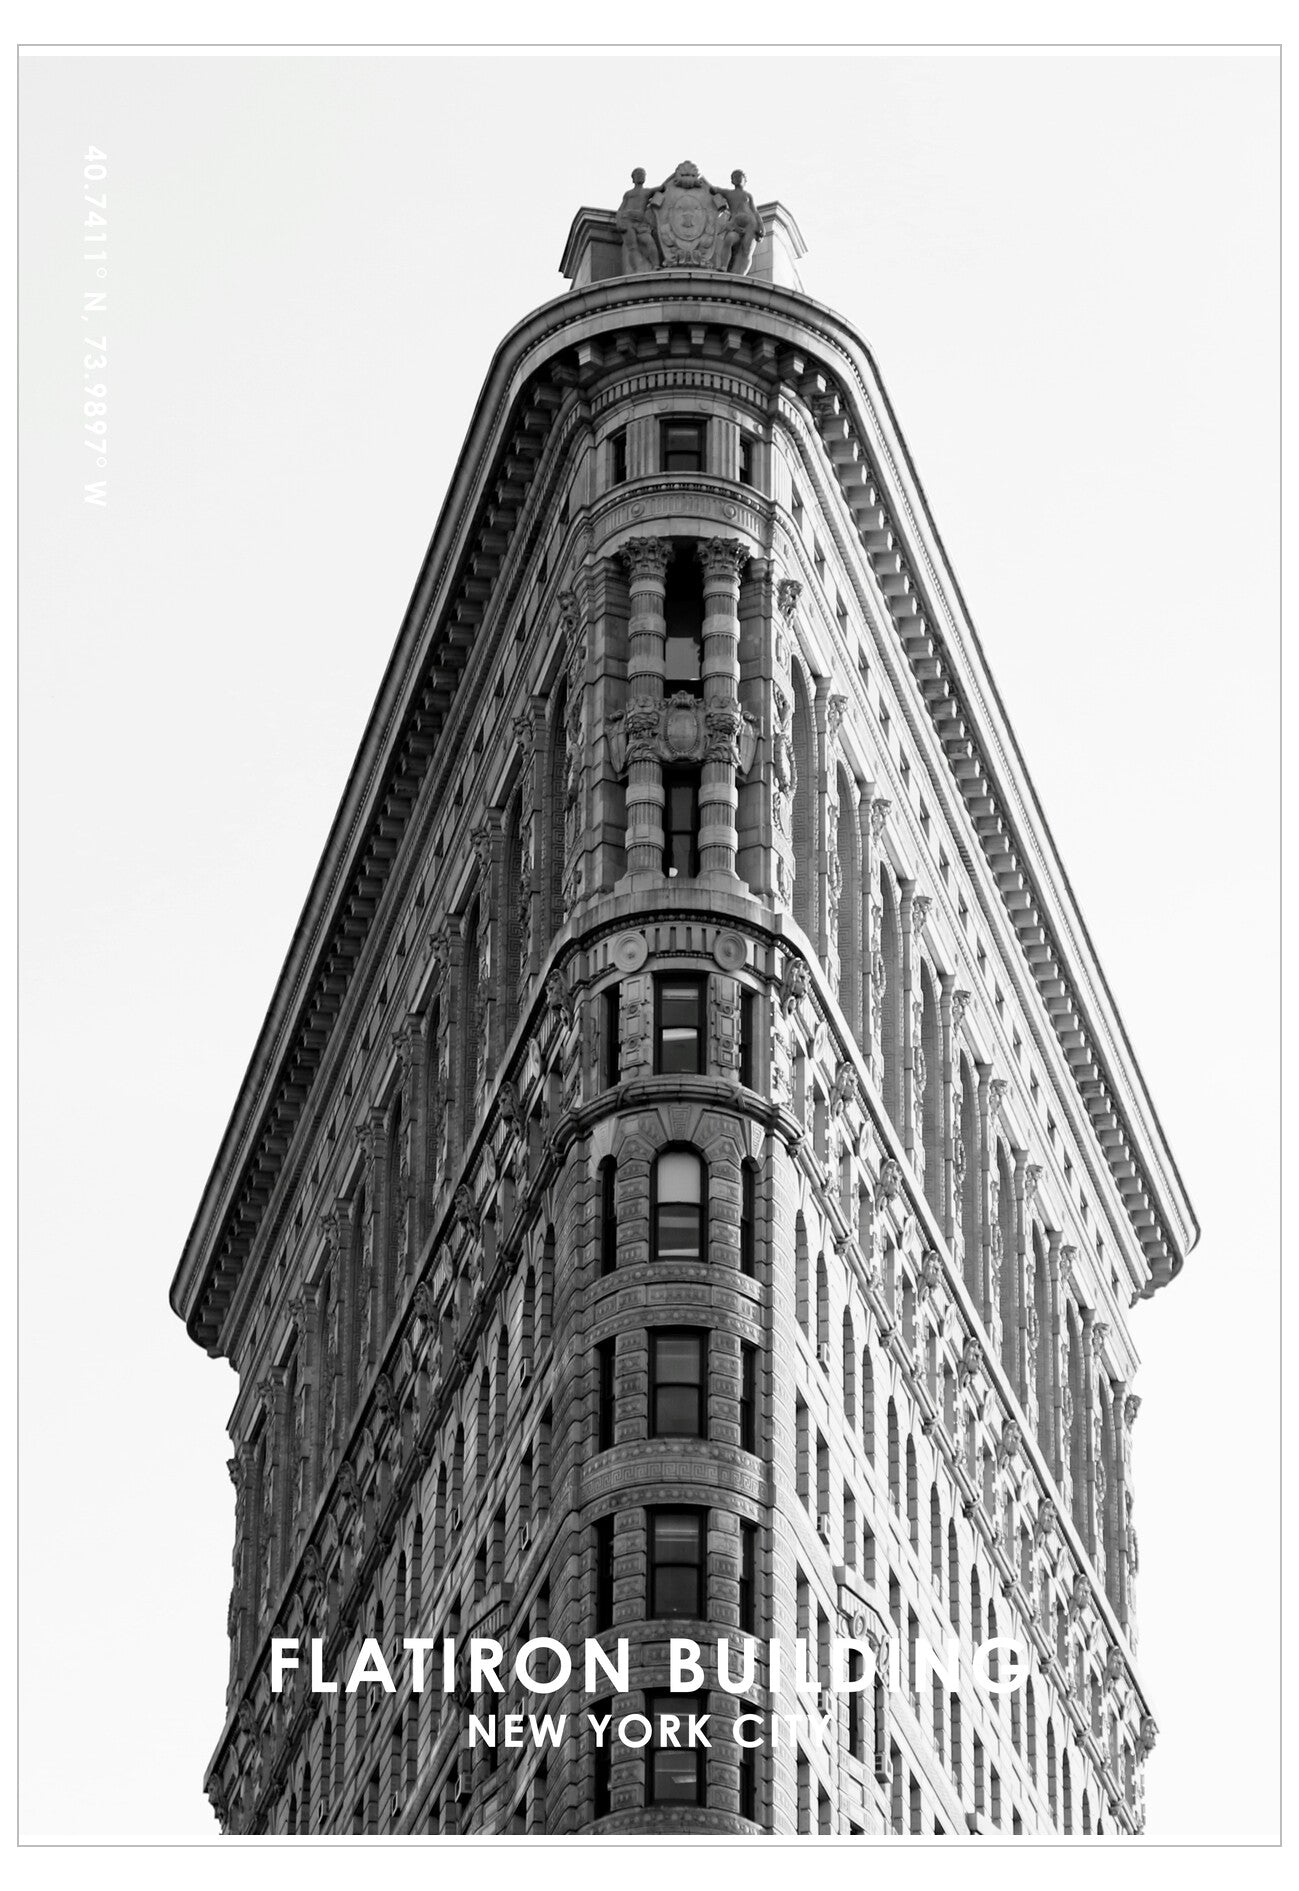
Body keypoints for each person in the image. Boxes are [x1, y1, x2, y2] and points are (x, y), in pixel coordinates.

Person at [716, 170, 764, 275]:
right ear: (732, 181)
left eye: (739, 176)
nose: (737, 178)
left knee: (747, 251)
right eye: (734, 177)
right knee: (729, 239)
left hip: (750, 225)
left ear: (745, 180)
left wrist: (761, 226)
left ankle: (742, 275)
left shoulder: (748, 195)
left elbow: (755, 212)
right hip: (735, 224)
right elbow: (714, 190)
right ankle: (724, 266)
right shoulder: (728, 193)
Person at [615, 168, 659, 274]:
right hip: (627, 221)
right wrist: (619, 222)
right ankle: (637, 269)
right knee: (633, 247)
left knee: (649, 241)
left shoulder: (647, 192)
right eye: (638, 174)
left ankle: (656, 265)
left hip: (641, 222)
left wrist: (675, 176)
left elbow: (662, 187)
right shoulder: (628, 194)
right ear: (633, 178)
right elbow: (620, 210)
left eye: (643, 174)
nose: (641, 176)